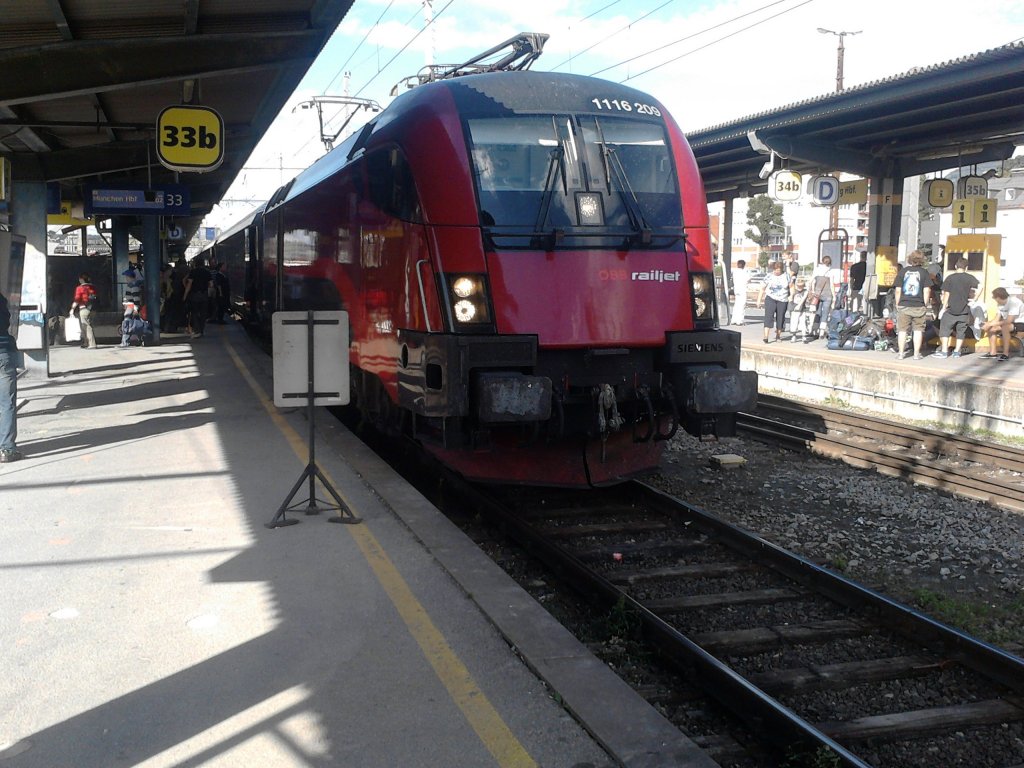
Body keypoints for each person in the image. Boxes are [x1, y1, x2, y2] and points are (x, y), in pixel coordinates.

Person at [934, 257, 978, 359]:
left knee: (945, 331)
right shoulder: (970, 278)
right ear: (966, 268)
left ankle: (944, 351)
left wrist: (944, 307)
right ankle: (957, 352)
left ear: (955, 266)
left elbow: (946, 294)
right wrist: (974, 299)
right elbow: (980, 287)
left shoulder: (950, 278)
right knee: (961, 332)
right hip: (964, 310)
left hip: (950, 309)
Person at [894, 250, 932, 360]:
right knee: (918, 330)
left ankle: (901, 354)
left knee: (902, 330)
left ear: (910, 259)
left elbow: (898, 290)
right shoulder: (924, 273)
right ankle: (916, 354)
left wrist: (897, 303)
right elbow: (927, 290)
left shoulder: (903, 272)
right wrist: (925, 304)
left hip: (904, 304)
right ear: (922, 260)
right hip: (919, 305)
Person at [0, 291, 20, 463]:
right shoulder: (1, 299)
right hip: (4, 352)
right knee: (7, 402)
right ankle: (7, 449)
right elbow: (7, 320)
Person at [980, 287, 1024, 361]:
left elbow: (1009, 320)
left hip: (1020, 323)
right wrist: (988, 324)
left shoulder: (1014, 302)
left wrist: (991, 324)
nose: (994, 299)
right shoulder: (1000, 305)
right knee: (991, 328)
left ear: (998, 297)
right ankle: (993, 353)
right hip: (1008, 323)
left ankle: (1005, 354)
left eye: (994, 297)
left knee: (1005, 327)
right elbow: (997, 318)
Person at [756, 260, 790, 343]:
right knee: (768, 317)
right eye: (775, 270)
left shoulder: (786, 276)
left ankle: (778, 335)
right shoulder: (769, 276)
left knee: (780, 317)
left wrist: (792, 296)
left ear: (781, 269)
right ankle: (766, 336)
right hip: (771, 298)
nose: (776, 272)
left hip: (782, 300)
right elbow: (762, 288)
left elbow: (791, 286)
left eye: (778, 270)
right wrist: (759, 300)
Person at [809, 255, 842, 338]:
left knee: (817, 312)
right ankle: (821, 332)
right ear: (830, 263)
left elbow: (811, 281)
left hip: (817, 295)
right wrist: (834, 296)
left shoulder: (817, 269)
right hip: (828, 295)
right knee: (825, 313)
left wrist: (812, 290)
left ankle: (814, 331)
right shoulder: (830, 271)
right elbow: (832, 285)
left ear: (822, 261)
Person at [182, 256, 212, 339]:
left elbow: (189, 284)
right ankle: (201, 330)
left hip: (194, 295)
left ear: (195, 264)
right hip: (204, 295)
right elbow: (211, 284)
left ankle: (197, 330)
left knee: (194, 312)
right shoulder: (207, 272)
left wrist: (185, 295)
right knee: (203, 313)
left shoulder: (193, 272)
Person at [70, 273, 98, 349]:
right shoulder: (93, 287)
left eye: (80, 278)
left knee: (86, 326)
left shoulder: (80, 288)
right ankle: (86, 342)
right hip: (92, 309)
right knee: (87, 325)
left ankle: (91, 344)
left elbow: (77, 299)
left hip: (84, 308)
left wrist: (72, 309)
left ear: (82, 279)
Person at [788, 276, 812, 342]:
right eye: (798, 286)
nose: (800, 287)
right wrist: (791, 298)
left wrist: (799, 305)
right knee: (794, 322)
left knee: (803, 322)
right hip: (794, 309)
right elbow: (790, 295)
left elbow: (803, 299)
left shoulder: (805, 291)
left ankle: (804, 336)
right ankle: (794, 336)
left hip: (802, 309)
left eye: (801, 286)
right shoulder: (794, 290)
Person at [730, 259, 751, 326]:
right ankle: (740, 321)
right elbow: (749, 279)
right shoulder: (745, 272)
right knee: (742, 305)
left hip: (736, 290)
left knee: (736, 305)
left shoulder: (734, 272)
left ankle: (733, 320)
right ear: (744, 265)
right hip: (743, 290)